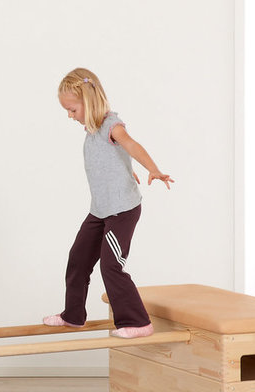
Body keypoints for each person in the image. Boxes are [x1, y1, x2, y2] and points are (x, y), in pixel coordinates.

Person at [43, 67, 174, 338]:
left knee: (110, 265)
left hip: (122, 211)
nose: (70, 116)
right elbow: (111, 160)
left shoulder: (111, 126)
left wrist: (153, 169)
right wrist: (126, 171)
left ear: (88, 101)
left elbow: (131, 145)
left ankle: (138, 322)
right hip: (100, 210)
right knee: (78, 259)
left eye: (72, 110)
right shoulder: (92, 130)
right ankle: (73, 315)